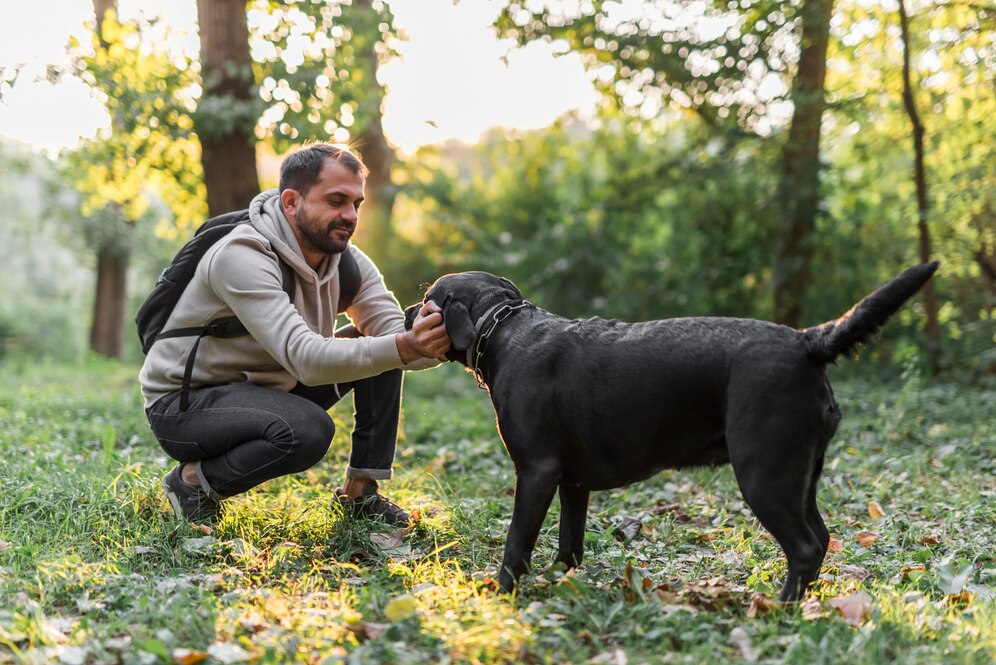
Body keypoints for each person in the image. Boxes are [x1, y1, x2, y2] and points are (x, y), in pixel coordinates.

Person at [139, 143, 450, 526]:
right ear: (290, 202)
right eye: (336, 200)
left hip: (272, 388)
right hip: (187, 405)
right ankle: (190, 482)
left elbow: (396, 337)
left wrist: (436, 340)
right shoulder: (242, 255)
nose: (350, 215)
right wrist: (404, 345)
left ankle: (361, 494)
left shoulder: (349, 262)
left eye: (356, 203)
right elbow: (305, 358)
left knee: (383, 347)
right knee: (307, 430)